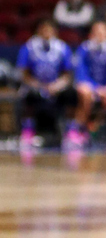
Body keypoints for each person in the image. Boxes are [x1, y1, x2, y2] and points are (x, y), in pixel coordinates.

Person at [16, 19, 74, 149]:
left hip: (56, 86)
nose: (46, 32)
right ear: (38, 31)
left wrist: (57, 85)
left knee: (71, 94)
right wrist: (38, 85)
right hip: (35, 85)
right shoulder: (29, 47)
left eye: (49, 29)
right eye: (43, 29)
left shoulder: (62, 47)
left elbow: (67, 74)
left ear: (55, 32)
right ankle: (28, 131)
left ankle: (71, 132)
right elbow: (23, 74)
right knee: (28, 95)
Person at [69, 20, 106, 149]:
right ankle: (78, 130)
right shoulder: (84, 49)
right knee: (85, 93)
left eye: (103, 32)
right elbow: (81, 74)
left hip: (105, 88)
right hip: (88, 86)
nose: (100, 35)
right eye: (97, 32)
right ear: (91, 34)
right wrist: (96, 88)